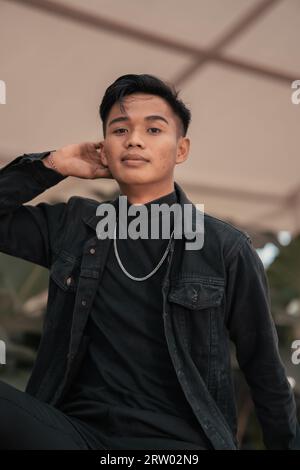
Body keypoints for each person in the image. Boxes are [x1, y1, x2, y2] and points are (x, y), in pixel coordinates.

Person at [0, 74, 299, 450]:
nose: (135, 140)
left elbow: (265, 371)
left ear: (181, 150)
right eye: (119, 129)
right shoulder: (74, 226)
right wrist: (51, 165)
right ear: (104, 148)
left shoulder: (224, 247)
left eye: (154, 129)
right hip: (76, 435)